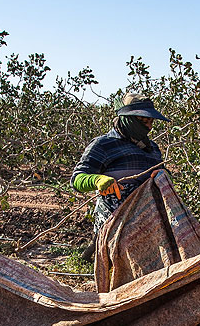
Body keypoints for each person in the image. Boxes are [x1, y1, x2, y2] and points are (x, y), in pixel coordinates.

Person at [71, 92, 169, 238]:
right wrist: (98, 180)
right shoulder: (103, 145)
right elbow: (76, 180)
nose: (149, 127)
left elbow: (163, 173)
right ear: (128, 119)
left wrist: (164, 176)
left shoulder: (152, 147)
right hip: (116, 229)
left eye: (151, 122)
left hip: (151, 227)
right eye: (144, 121)